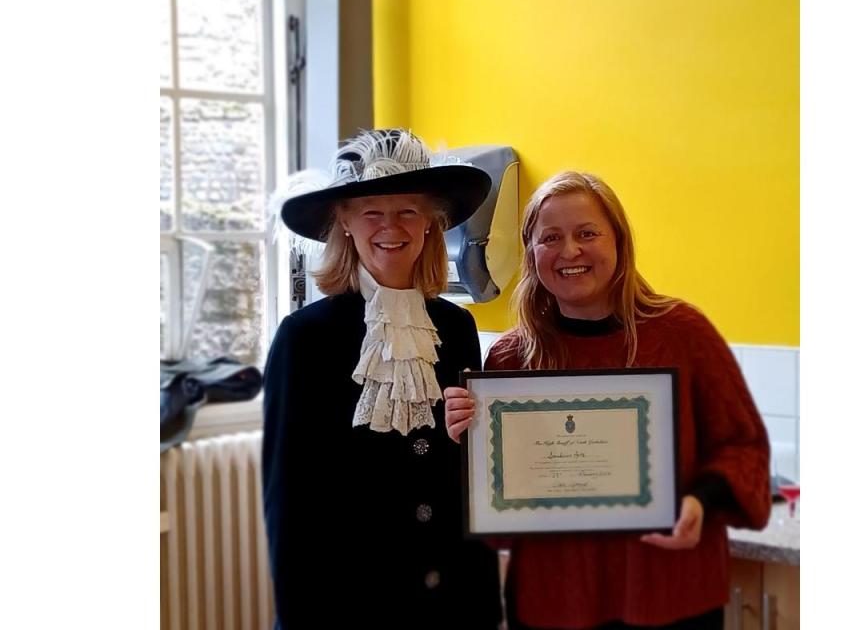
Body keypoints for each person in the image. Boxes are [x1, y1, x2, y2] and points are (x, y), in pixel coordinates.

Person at [445, 171, 771, 630]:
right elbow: (505, 492)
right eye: (550, 238)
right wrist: (468, 440)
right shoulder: (510, 357)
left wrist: (700, 501)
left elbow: (743, 446)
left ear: (619, 242)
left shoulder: (683, 334)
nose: (570, 251)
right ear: (531, 253)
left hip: (670, 591)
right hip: (555, 598)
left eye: (587, 233)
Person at [263, 129, 503, 629]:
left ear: (431, 225)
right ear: (345, 222)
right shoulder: (303, 338)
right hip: (349, 605)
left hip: (452, 603)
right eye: (371, 211)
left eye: (408, 211)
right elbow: (290, 508)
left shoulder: (457, 328)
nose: (390, 227)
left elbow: (466, 479)